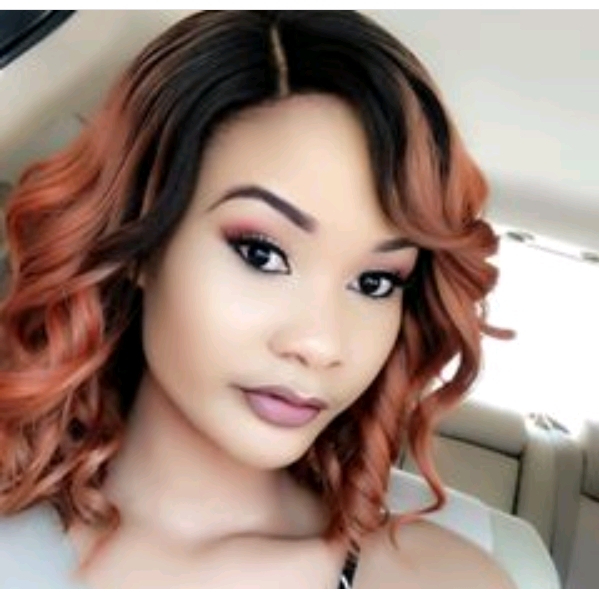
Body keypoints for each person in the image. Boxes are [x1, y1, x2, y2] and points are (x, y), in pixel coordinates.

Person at [0, 10, 515, 589]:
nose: (320, 344)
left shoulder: (438, 578)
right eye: (262, 254)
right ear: (143, 242)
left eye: (375, 282)